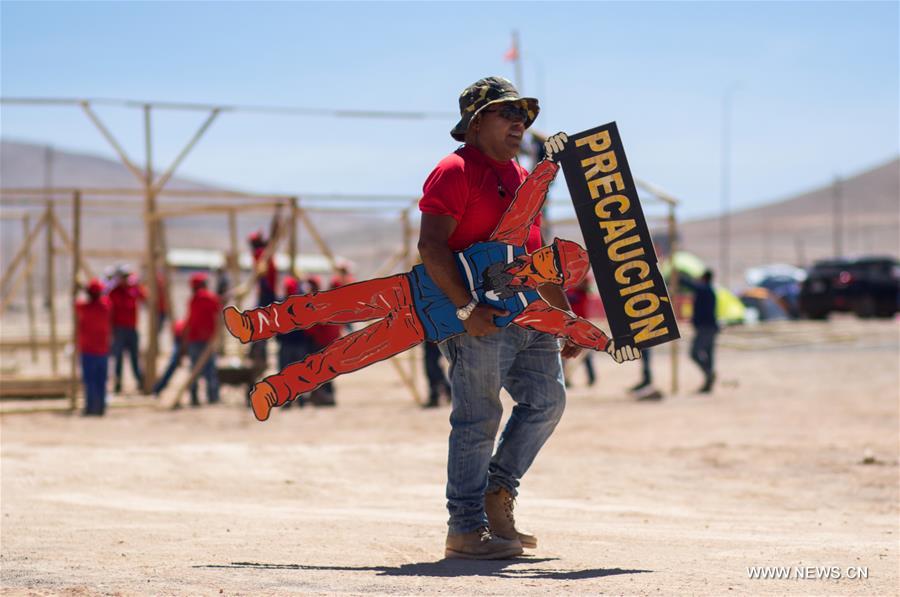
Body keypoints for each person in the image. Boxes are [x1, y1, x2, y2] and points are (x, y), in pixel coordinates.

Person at [222, 79, 639, 559]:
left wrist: (564, 317)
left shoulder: (521, 177)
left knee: (548, 402)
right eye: (508, 113)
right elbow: (431, 245)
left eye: (524, 114)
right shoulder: (454, 170)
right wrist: (467, 307)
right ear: (476, 121)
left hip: (522, 320)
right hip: (457, 317)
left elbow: (532, 255)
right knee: (471, 414)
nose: (520, 123)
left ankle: (496, 494)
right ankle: (465, 528)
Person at [75, 278, 112, 416]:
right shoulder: (105, 307)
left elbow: (77, 302)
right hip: (102, 351)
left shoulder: (84, 308)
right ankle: (101, 407)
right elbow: (106, 298)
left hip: (88, 351)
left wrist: (81, 289)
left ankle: (90, 408)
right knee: (101, 381)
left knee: (89, 381)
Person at [184, 272, 221, 406]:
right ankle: (213, 396)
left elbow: (190, 320)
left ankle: (194, 397)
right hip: (206, 339)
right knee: (210, 369)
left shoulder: (193, 300)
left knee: (194, 369)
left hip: (194, 338)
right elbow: (219, 310)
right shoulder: (209, 298)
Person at [108, 265, 145, 394]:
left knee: (135, 357)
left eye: (126, 277)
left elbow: (144, 297)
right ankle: (118, 384)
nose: (125, 279)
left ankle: (140, 381)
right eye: (123, 277)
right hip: (119, 330)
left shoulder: (133, 290)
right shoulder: (113, 292)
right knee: (118, 358)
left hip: (132, 329)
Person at [683, 269, 719, 393]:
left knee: (694, 353)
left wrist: (679, 277)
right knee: (708, 356)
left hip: (706, 328)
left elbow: (692, 286)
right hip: (709, 327)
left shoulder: (705, 290)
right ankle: (708, 380)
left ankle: (709, 375)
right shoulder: (708, 290)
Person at [565, 276, 596, 387]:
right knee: (567, 352)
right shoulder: (568, 286)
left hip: (582, 324)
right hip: (569, 324)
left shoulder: (582, 282)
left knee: (586, 354)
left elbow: (587, 287)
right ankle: (566, 378)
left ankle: (592, 377)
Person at [151, 319, 187, 396]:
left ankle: (157, 388)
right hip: (183, 334)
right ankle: (157, 388)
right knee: (173, 363)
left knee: (173, 364)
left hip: (189, 334)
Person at [422, 341, 450, 408]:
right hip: (430, 340)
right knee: (431, 367)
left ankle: (439, 394)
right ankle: (444, 392)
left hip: (434, 338)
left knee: (432, 366)